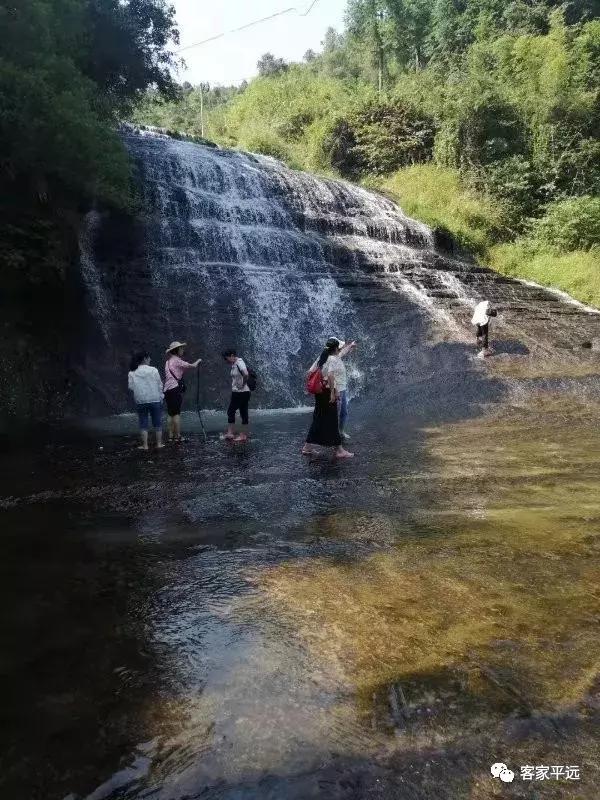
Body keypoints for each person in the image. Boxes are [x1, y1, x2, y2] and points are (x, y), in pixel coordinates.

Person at [302, 338, 354, 459]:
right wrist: (332, 392)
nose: (340, 349)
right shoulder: (333, 359)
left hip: (320, 393)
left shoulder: (323, 358)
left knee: (318, 418)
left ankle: (307, 447)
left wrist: (349, 347)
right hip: (327, 392)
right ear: (336, 348)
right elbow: (331, 375)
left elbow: (310, 372)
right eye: (339, 348)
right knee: (332, 419)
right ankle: (339, 450)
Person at [163, 341, 202, 442]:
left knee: (170, 413)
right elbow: (193, 366)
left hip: (167, 390)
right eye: (181, 349)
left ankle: (171, 436)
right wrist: (198, 360)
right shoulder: (177, 361)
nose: (182, 350)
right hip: (175, 389)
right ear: (176, 350)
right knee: (176, 413)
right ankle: (178, 436)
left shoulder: (167, 362)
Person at [128, 352, 164, 450]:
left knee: (143, 422)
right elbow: (160, 385)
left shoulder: (132, 372)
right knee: (157, 422)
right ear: (145, 359)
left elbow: (131, 387)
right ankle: (159, 444)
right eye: (149, 358)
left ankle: (145, 445)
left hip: (141, 400)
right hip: (155, 399)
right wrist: (161, 397)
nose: (150, 360)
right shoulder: (153, 370)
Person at [222, 349, 251, 443]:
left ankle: (239, 434)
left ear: (232, 355)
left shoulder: (239, 362)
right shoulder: (234, 364)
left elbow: (246, 374)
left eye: (226, 359)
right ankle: (234, 433)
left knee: (233, 411)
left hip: (242, 392)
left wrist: (243, 385)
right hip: (238, 392)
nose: (225, 361)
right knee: (240, 411)